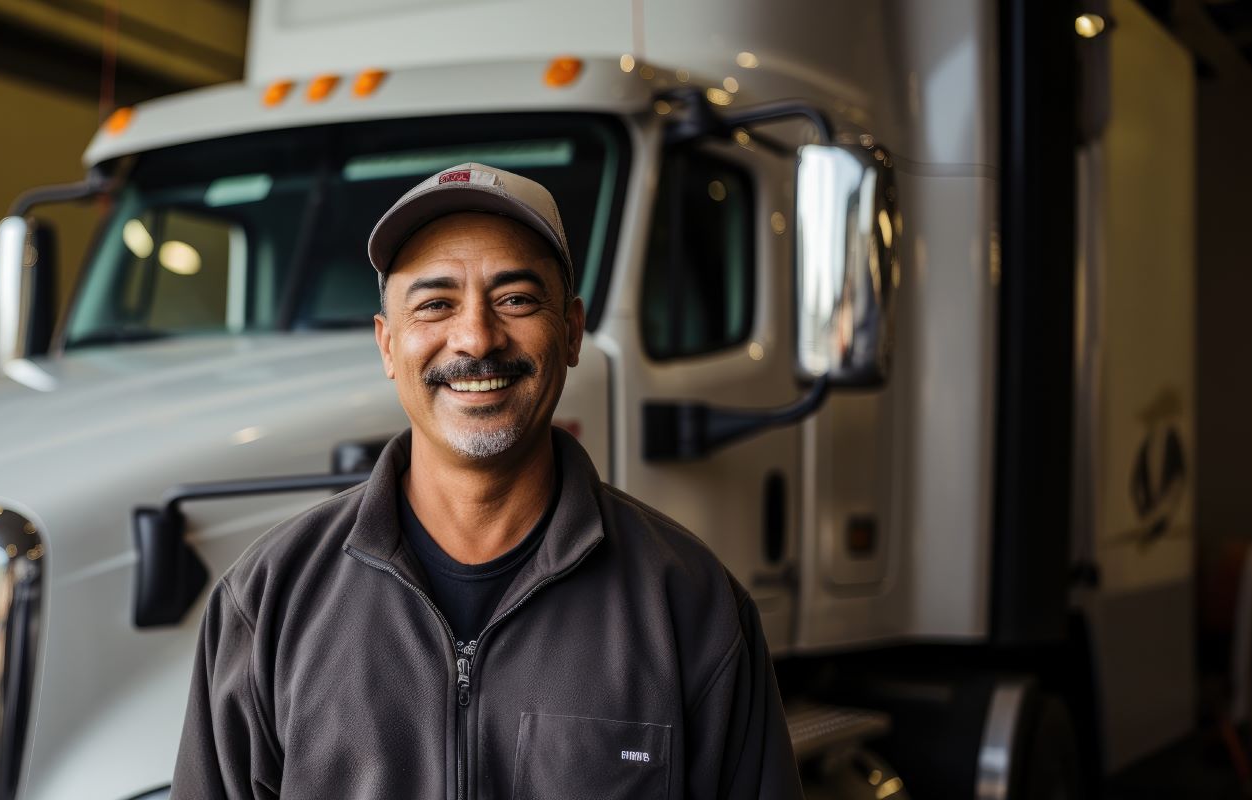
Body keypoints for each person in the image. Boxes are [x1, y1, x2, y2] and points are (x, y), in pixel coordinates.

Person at [172, 163, 801, 799]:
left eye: (516, 300)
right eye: (435, 304)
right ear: (388, 346)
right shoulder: (269, 602)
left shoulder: (690, 604)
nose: (475, 337)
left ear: (572, 332)